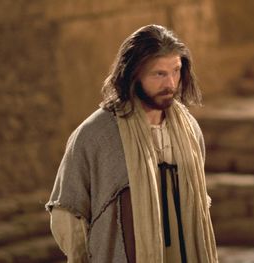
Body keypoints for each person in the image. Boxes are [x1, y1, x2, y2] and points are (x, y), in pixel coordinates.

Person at [46, 24, 217, 263]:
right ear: (133, 74)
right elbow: (67, 212)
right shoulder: (97, 134)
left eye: (176, 71)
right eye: (159, 74)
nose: (170, 83)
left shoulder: (188, 128)